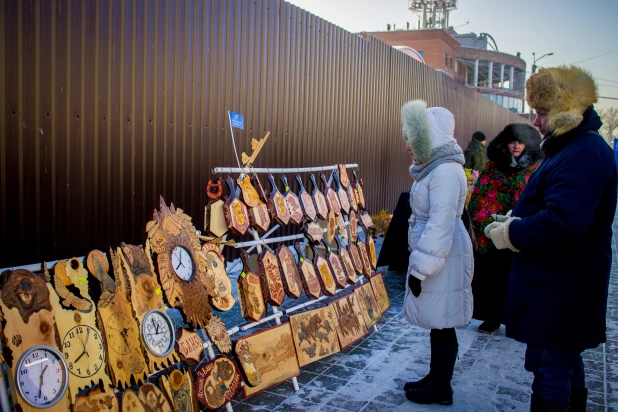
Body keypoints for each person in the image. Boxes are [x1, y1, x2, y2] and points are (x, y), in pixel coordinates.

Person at [484, 66, 617, 411]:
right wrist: (516, 219)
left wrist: (513, 232)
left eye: (542, 113)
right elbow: (555, 204)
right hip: (559, 285)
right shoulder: (571, 147)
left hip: (563, 287)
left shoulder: (584, 152)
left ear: (566, 110)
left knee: (550, 368)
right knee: (562, 362)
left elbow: (564, 220)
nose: (537, 122)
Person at [400, 100, 473, 406]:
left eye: (412, 140)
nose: (407, 146)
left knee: (442, 322)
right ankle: (436, 378)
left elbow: (440, 225)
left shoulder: (443, 172)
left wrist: (420, 270)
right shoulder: (437, 168)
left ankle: (441, 388)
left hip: (441, 258)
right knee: (439, 322)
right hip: (442, 255)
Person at [468, 123, 543, 334]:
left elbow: (538, 199)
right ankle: (491, 317)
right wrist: (487, 226)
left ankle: (515, 319)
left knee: (517, 279)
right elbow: (479, 196)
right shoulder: (492, 167)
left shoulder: (535, 168)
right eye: (512, 141)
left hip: (521, 233)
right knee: (492, 278)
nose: (517, 146)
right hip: (491, 232)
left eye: (521, 142)